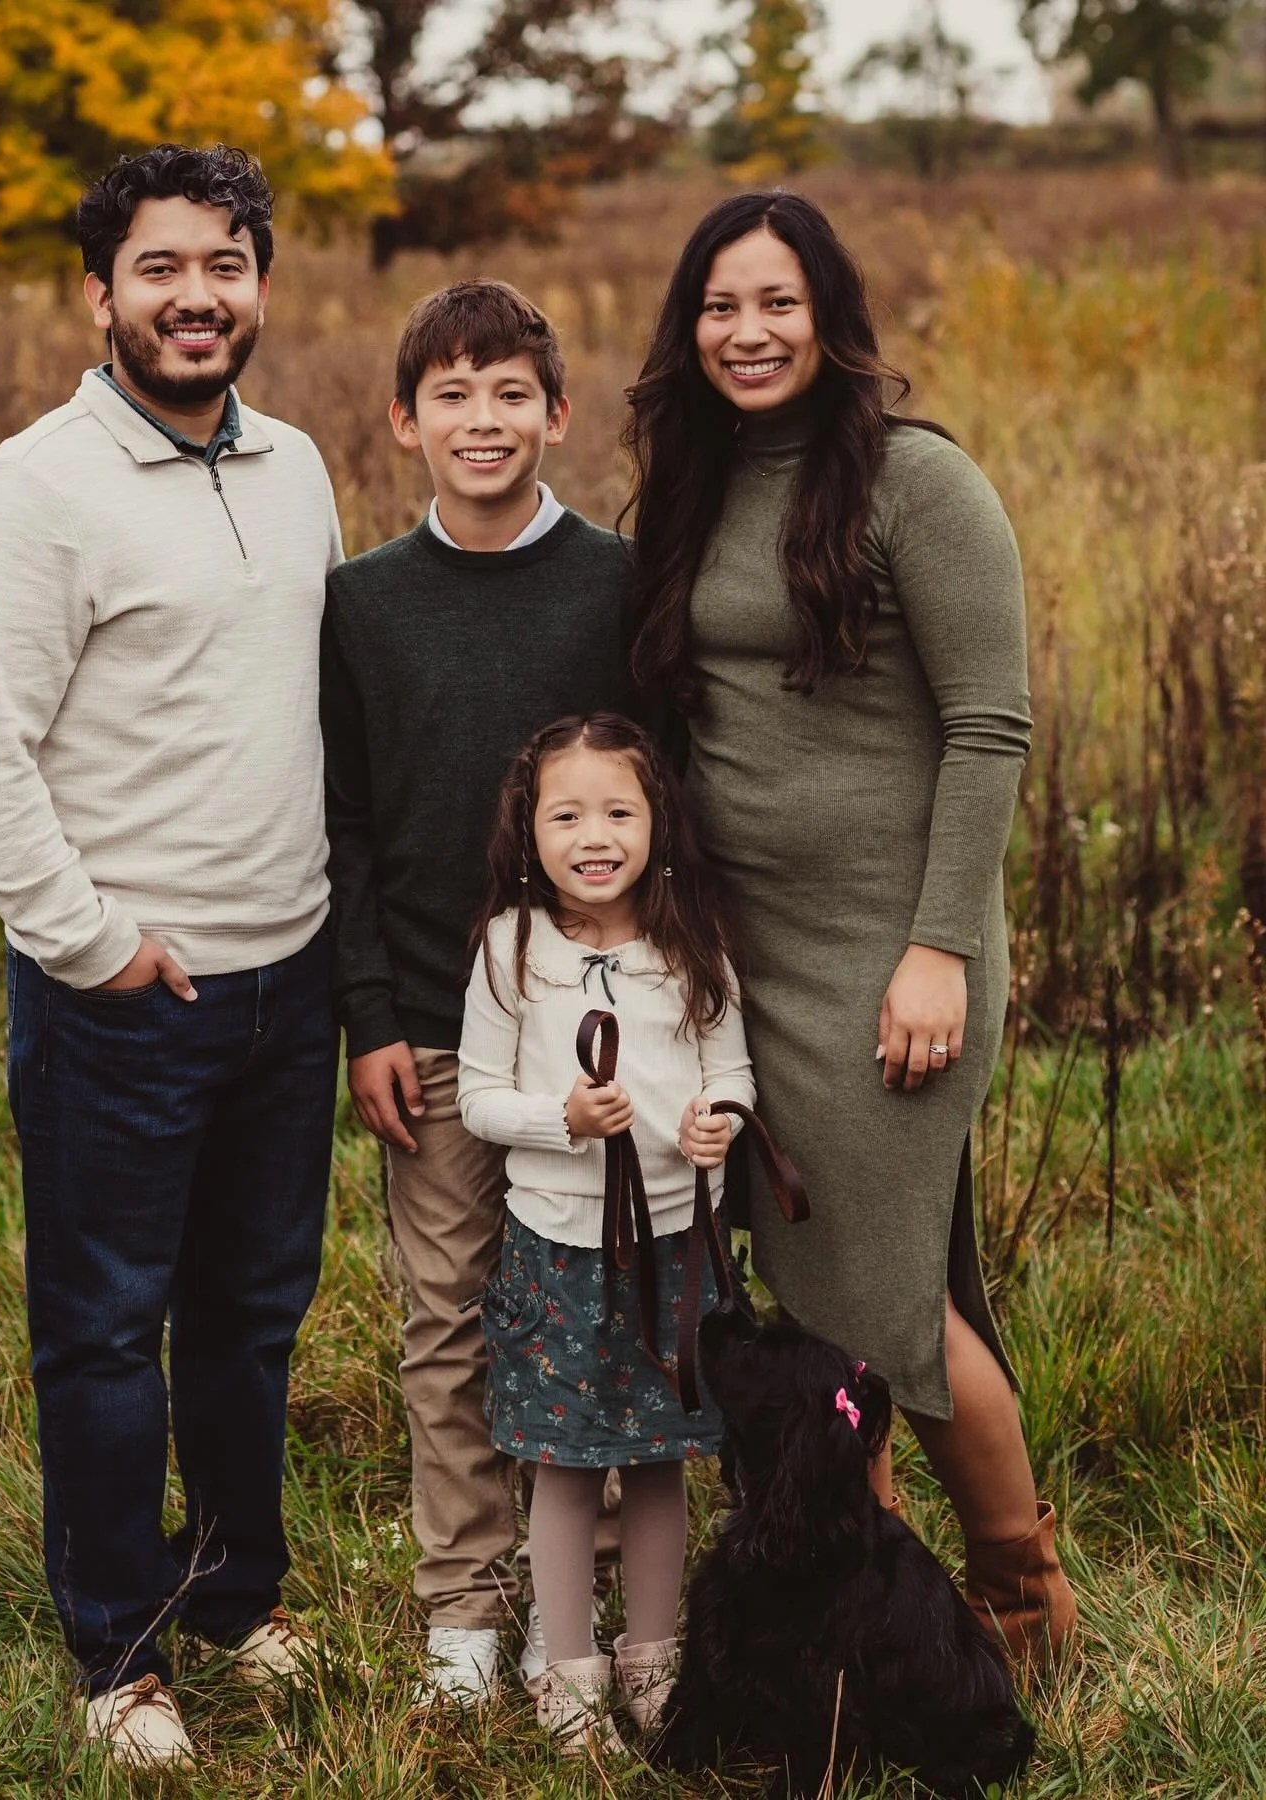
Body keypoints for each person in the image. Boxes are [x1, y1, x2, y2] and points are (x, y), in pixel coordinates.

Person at [623, 189, 1078, 1665]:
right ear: (689, 329)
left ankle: (1015, 1605)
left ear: (830, 316)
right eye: (719, 307)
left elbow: (992, 728)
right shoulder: (697, 473)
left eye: (777, 303)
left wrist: (939, 944)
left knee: (873, 1311)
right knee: (843, 1304)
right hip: (743, 964)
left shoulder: (915, 482)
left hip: (894, 961)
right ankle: (863, 1627)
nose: (747, 333)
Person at [0, 145, 341, 1770]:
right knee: (104, 1328)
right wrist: (93, 947)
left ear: (257, 285)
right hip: (125, 1003)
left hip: (290, 982)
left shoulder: (301, 465)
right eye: (161, 267)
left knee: (249, 1320)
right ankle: (121, 1650)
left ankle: (238, 1596)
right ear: (98, 292)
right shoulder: (35, 493)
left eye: (225, 265)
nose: (196, 296)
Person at [320, 281, 630, 1705]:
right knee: (447, 1316)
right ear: (404, 422)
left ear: (557, 414)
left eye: (511, 392)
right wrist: (372, 1016)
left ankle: (609, 1586)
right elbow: (350, 828)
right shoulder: (363, 605)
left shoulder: (620, 589)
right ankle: (465, 1608)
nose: (483, 419)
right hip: (440, 1036)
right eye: (451, 393)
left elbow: (660, 805)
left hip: (600, 1037)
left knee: (593, 1308)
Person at [457, 713, 755, 1754]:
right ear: (528, 830)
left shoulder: (691, 941)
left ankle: (655, 1659)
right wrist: (562, 1121)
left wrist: (719, 1125)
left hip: (674, 1249)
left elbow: (732, 1071)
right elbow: (479, 1099)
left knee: (666, 1457)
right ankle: (571, 1675)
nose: (596, 835)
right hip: (560, 1248)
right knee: (568, 1462)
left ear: (658, 821)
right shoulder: (511, 949)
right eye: (568, 813)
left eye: (620, 811)